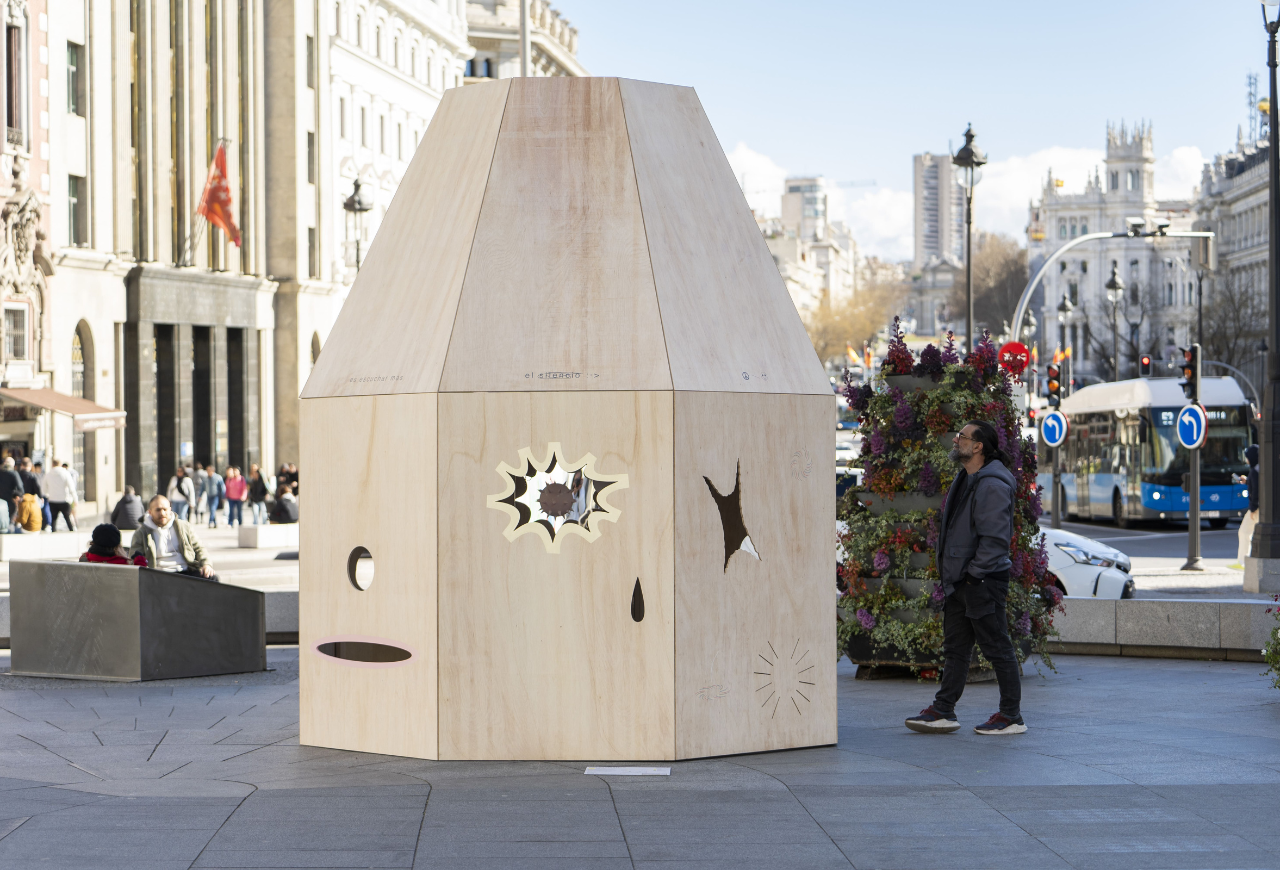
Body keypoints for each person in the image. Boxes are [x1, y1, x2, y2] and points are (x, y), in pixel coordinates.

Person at [905, 420, 1024, 736]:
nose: (956, 440)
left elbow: (995, 540)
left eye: (962, 436)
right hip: (961, 580)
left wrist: (974, 576)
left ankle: (1011, 716)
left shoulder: (992, 484)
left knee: (997, 647)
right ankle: (943, 710)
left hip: (982, 580)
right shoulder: (967, 478)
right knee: (956, 649)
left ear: (978, 446)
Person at [129, 495, 219, 581]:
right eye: (158, 510)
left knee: (212, 578)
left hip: (185, 571)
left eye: (165, 509)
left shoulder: (184, 527)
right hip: (158, 574)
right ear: (150, 512)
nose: (162, 513)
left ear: (170, 509)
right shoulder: (141, 533)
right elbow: (135, 556)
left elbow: (199, 548)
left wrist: (206, 564)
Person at [80, 523, 148, 566]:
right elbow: (142, 579)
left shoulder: (84, 559)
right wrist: (140, 561)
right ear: (117, 547)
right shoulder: (124, 564)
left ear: (93, 542)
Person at [1237, 444, 1260, 565]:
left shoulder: (1255, 471)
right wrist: (1247, 481)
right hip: (1259, 508)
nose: (1246, 460)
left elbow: (1256, 491)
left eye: (1248, 457)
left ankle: (1243, 561)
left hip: (1257, 509)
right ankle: (1243, 561)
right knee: (1245, 532)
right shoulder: (1258, 469)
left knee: (1245, 532)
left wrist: (1253, 508)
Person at [44, 460, 77, 531]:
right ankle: (72, 532)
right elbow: (71, 487)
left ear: (52, 465)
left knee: (53, 520)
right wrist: (75, 499)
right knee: (68, 519)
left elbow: (44, 488)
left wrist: (47, 495)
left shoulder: (48, 474)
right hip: (64, 499)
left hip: (52, 500)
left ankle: (53, 533)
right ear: (60, 464)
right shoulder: (65, 473)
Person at [17, 458, 44, 532]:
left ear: (21, 465)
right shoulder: (32, 475)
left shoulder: (18, 475)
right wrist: (41, 496)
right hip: (31, 499)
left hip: (20, 498)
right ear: (30, 465)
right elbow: (37, 487)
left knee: (21, 513)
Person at [0, 457, 22, 533]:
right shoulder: (14, 474)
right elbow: (20, 487)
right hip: (11, 500)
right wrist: (18, 496)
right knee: (10, 522)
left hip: (1, 501)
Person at [32, 461, 51, 530]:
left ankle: (47, 524)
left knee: (45, 510)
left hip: (44, 495)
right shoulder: (33, 475)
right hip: (37, 495)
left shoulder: (44, 475)